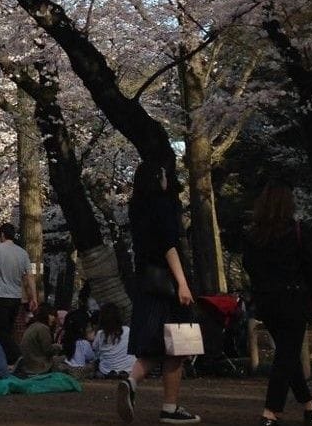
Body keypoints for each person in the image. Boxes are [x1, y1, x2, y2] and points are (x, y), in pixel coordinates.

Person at [116, 158, 200, 425]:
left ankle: (131, 381)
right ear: (157, 179)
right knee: (178, 345)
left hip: (145, 283)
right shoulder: (163, 206)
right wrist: (183, 283)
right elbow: (169, 246)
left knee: (153, 345)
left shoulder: (136, 209)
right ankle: (170, 407)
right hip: (168, 285)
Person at [243, 181, 312, 426]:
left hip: (268, 302)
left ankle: (308, 404)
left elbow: (249, 266)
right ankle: (271, 411)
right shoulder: (296, 232)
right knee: (286, 356)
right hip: (293, 300)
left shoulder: (253, 236)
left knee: (287, 353)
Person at [0, 222, 36, 363]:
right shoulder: (22, 253)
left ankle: (18, 357)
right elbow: (29, 276)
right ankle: (10, 361)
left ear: (2, 235)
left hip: (1, 296)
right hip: (16, 297)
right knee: (9, 331)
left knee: (2, 332)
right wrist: (33, 297)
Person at [93, 303, 135, 378]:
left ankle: (109, 373)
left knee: (97, 361)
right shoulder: (128, 330)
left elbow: (95, 352)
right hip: (129, 368)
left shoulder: (100, 334)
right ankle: (123, 372)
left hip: (106, 370)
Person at [17, 303, 60, 375]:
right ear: (46, 315)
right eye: (51, 315)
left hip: (29, 364)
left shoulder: (33, 326)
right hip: (38, 367)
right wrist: (58, 347)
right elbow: (48, 350)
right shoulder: (43, 328)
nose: (53, 318)